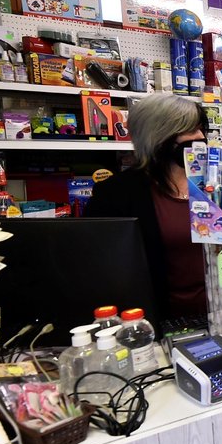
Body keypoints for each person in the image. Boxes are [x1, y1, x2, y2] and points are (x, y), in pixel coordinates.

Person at [86, 93, 209, 322]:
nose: (200, 137)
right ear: (158, 136)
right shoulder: (117, 194)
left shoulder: (219, 182)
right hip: (154, 323)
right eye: (189, 130)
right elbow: (104, 270)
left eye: (201, 129)